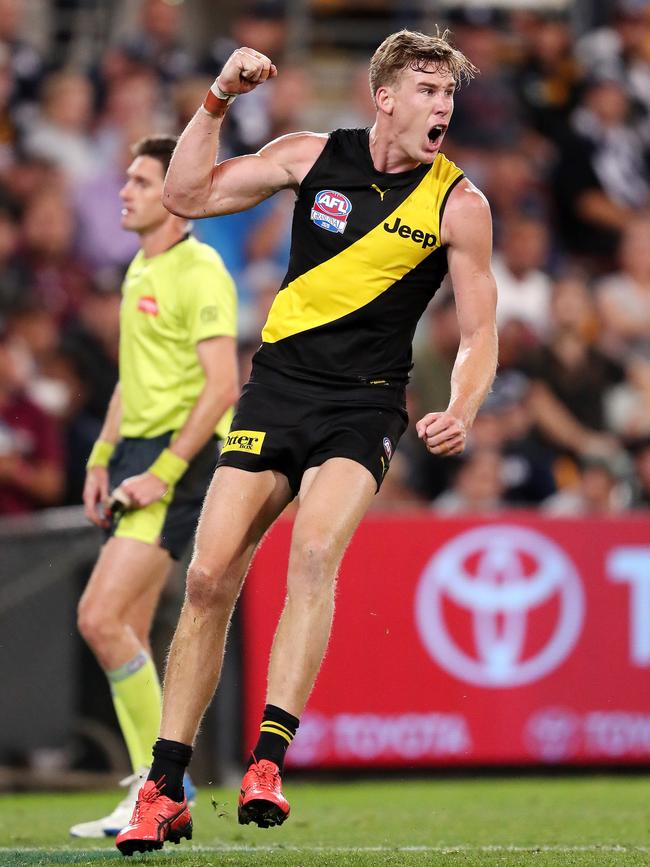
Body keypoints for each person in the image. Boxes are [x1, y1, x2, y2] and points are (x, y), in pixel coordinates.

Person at [116, 31, 498, 856]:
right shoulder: (310, 155)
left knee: (316, 550)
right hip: (278, 390)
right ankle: (165, 787)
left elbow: (480, 330)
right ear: (385, 98)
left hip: (363, 405)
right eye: (427, 91)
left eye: (449, 95)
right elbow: (185, 196)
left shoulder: (458, 203)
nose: (443, 107)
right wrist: (218, 98)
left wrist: (463, 403)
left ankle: (267, 759)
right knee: (211, 574)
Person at [70, 134, 238, 838]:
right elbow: (131, 382)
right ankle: (158, 789)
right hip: (141, 451)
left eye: (140, 181)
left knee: (100, 618)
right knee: (128, 627)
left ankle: (161, 784)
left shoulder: (199, 270)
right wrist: (102, 456)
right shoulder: (140, 266)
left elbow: (224, 383)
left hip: (183, 460)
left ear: (173, 196)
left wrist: (161, 471)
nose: (125, 191)